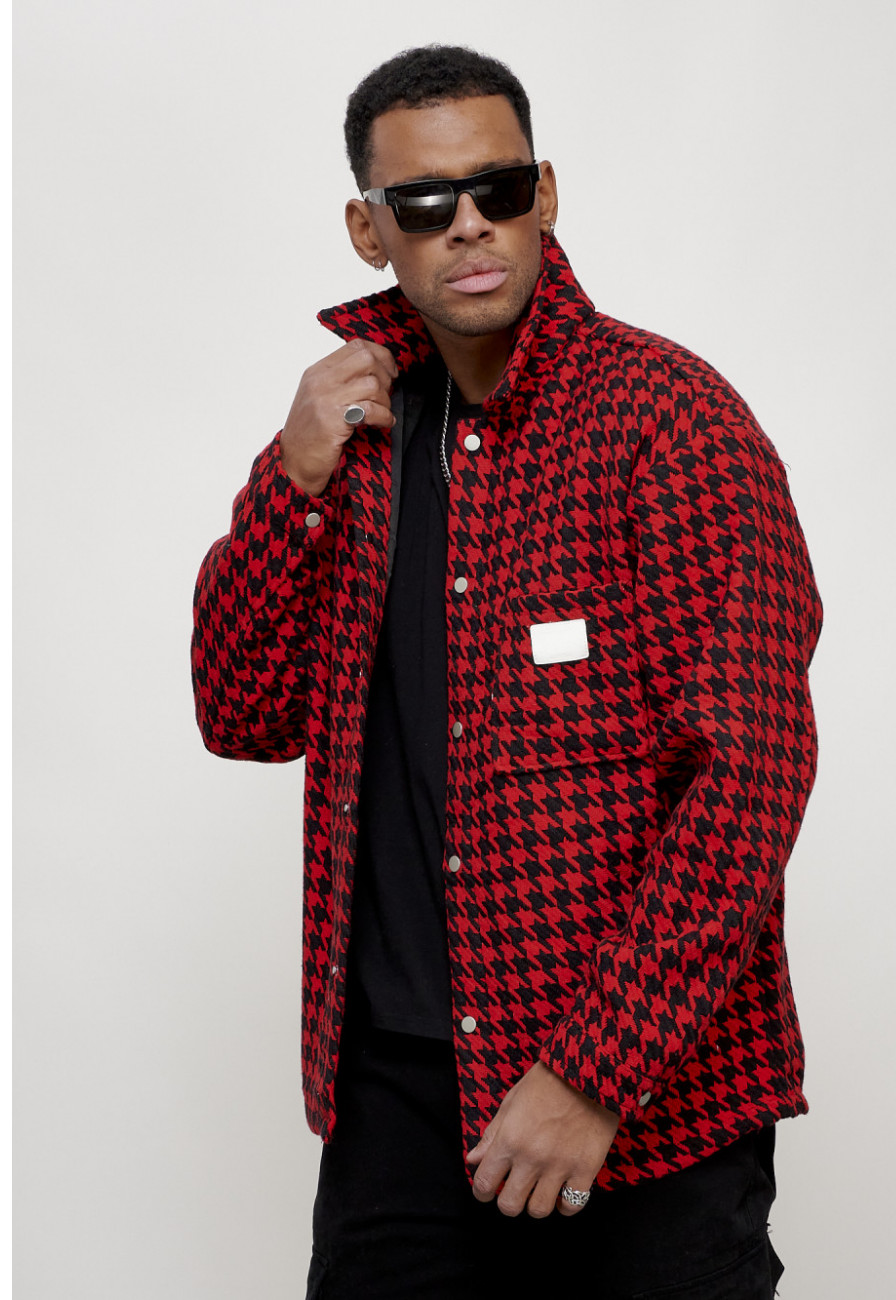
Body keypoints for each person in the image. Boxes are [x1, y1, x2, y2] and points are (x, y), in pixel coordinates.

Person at [191, 43, 822, 1300]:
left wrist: (596, 1071)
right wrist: (290, 480)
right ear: (370, 230)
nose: (469, 223)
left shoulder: (670, 420)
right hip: (395, 1104)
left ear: (546, 194)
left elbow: (749, 779)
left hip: (645, 1104)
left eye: (499, 187)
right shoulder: (355, 443)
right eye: (426, 202)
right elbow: (242, 711)